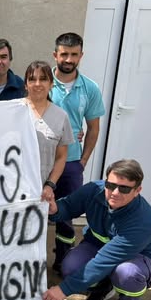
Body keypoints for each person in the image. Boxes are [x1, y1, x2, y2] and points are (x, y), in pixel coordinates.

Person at [42, 159, 151, 300]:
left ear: (137, 190)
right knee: (71, 266)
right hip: (97, 246)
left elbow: (104, 261)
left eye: (124, 188)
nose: (115, 192)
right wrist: (55, 209)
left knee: (127, 274)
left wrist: (63, 289)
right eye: (110, 185)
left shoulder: (143, 220)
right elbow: (69, 206)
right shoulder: (94, 190)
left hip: (136, 258)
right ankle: (102, 289)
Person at [49, 32, 105, 272]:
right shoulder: (41, 82)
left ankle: (63, 260)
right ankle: (29, 262)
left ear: (81, 55)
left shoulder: (90, 88)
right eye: (64, 54)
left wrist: (83, 161)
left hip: (71, 162)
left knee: (66, 215)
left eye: (74, 54)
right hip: (40, 161)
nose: (68, 59)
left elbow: (93, 128)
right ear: (55, 55)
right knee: (33, 212)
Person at [22, 61, 73, 201]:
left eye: (43, 79)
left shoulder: (61, 116)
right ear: (26, 85)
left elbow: (61, 157)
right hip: (10, 191)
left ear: (51, 84)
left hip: (41, 193)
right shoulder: (13, 111)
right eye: (32, 79)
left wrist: (50, 185)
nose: (37, 84)